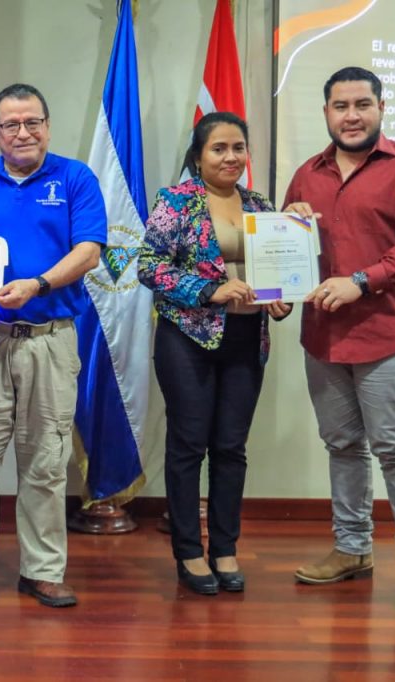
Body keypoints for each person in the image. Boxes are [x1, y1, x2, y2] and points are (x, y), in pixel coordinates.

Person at [284, 66, 395, 611]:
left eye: (361, 105)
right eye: (340, 106)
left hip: (391, 334)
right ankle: (352, 549)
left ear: (381, 108)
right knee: (343, 446)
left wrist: (360, 281)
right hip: (324, 338)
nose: (351, 116)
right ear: (326, 112)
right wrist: (287, 233)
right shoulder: (307, 174)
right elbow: (287, 251)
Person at [0, 83, 106, 613]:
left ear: (48, 126)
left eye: (32, 121)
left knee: (47, 460)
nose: (23, 132)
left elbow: (89, 252)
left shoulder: (75, 178)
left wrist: (37, 285)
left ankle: (43, 571)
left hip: (50, 339)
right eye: (11, 124)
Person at [137, 112, 293, 596]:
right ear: (199, 155)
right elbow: (149, 266)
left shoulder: (260, 205)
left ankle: (225, 548)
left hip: (246, 340)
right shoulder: (176, 201)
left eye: (238, 148)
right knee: (188, 445)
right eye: (219, 148)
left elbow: (278, 269)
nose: (231, 157)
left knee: (231, 447)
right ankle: (188, 551)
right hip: (187, 339)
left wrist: (283, 297)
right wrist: (209, 290)